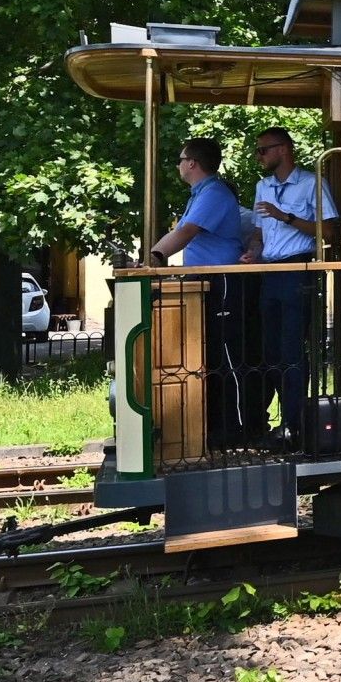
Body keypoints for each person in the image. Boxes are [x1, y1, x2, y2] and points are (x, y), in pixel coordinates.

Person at [239, 127, 340, 451]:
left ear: (283, 150)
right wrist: (253, 252)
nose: (259, 157)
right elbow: (258, 231)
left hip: (299, 270)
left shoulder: (312, 183)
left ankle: (295, 426)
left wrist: (288, 217)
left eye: (263, 150)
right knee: (270, 352)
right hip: (270, 271)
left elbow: (331, 231)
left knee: (292, 351)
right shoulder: (262, 186)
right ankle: (278, 421)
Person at [146, 136, 250, 449]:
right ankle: (212, 426)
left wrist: (155, 258)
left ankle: (235, 428)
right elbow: (180, 230)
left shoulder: (214, 192)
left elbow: (185, 232)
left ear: (192, 163)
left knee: (226, 357)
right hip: (205, 280)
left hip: (222, 280)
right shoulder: (201, 193)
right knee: (209, 355)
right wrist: (152, 255)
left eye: (180, 159)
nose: (178, 165)